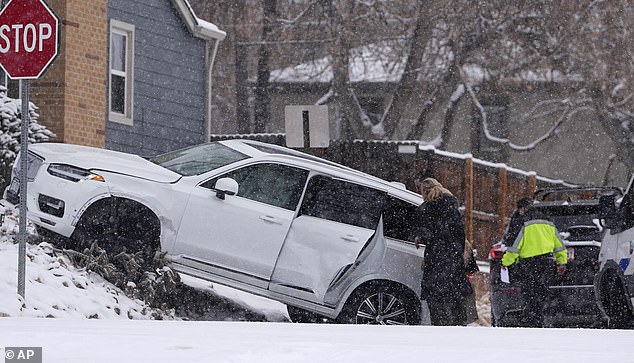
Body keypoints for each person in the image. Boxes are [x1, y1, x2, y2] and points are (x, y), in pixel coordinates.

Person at [415, 177, 472, 326]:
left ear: (424, 191)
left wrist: (420, 236)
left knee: (436, 299)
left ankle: (441, 330)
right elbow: (458, 231)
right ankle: (459, 327)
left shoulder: (428, 208)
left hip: (437, 257)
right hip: (453, 257)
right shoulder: (451, 204)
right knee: (455, 296)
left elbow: (430, 233)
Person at [501, 206, 568, 327]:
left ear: (524, 209)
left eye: (520, 210)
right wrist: (561, 262)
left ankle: (534, 321)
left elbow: (515, 247)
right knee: (541, 292)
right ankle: (541, 318)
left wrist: (506, 262)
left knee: (530, 293)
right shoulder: (549, 225)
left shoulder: (524, 225)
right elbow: (560, 246)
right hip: (547, 262)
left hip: (529, 264)